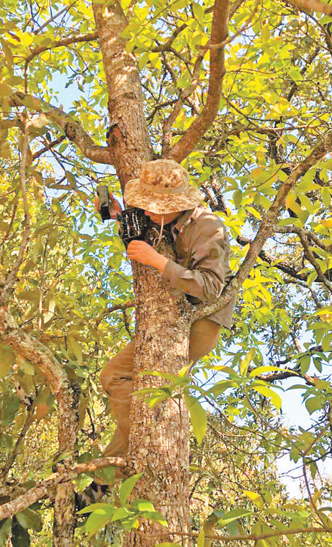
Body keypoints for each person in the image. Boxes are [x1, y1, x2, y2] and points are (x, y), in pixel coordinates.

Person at [99, 159, 234, 458]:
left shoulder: (208, 227)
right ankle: (115, 467)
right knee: (117, 376)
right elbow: (145, 230)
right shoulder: (163, 217)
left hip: (202, 320)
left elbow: (211, 288)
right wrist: (122, 217)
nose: (147, 213)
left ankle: (140, 452)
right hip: (178, 310)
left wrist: (158, 262)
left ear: (177, 205)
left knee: (117, 375)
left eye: (153, 207)